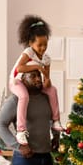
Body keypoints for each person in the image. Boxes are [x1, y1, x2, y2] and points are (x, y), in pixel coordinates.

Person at [0, 69, 60, 165]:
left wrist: (56, 137)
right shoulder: (15, 100)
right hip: (25, 160)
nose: (38, 79)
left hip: (46, 158)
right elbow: (0, 126)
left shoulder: (47, 98)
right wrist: (18, 146)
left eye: (39, 76)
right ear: (23, 79)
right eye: (33, 76)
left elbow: (53, 119)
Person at [9, 14, 63, 145]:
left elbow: (46, 78)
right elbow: (20, 68)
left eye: (45, 44)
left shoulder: (46, 58)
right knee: (24, 96)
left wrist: (47, 81)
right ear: (30, 43)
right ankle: (21, 130)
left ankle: (56, 121)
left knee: (53, 90)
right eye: (39, 45)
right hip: (17, 81)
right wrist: (37, 66)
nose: (43, 48)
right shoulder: (28, 53)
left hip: (32, 83)